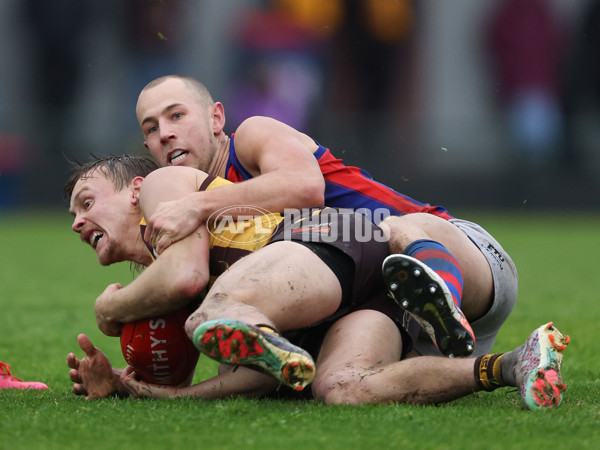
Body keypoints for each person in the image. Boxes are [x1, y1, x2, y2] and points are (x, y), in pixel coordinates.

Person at [65, 155, 568, 410]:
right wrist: (143, 394)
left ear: (134, 191)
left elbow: (185, 275)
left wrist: (111, 310)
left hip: (325, 240)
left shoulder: (163, 185)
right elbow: (258, 378)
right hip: (349, 301)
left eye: (87, 202)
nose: (76, 223)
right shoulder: (175, 289)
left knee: (215, 310)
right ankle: (514, 364)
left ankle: (443, 289)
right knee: (341, 388)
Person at [134, 75, 518, 359]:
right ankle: (499, 365)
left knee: (385, 228)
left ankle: (440, 301)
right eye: (152, 128)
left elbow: (305, 188)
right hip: (392, 309)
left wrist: (196, 207)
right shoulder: (193, 216)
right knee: (341, 387)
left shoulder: (250, 136)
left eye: (176, 115)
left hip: (453, 249)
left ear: (216, 118)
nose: (165, 133)